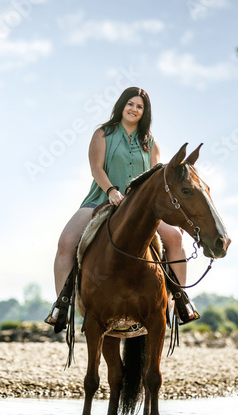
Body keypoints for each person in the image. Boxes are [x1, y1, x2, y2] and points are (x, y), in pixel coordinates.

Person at [45, 87, 198, 329]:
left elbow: (154, 180)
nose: (134, 109)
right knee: (66, 241)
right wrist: (111, 191)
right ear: (121, 105)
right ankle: (62, 306)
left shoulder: (151, 143)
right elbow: (96, 169)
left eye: (139, 106)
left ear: (144, 112)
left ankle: (180, 302)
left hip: (142, 208)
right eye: (130, 104)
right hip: (101, 199)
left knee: (175, 238)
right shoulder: (102, 134)